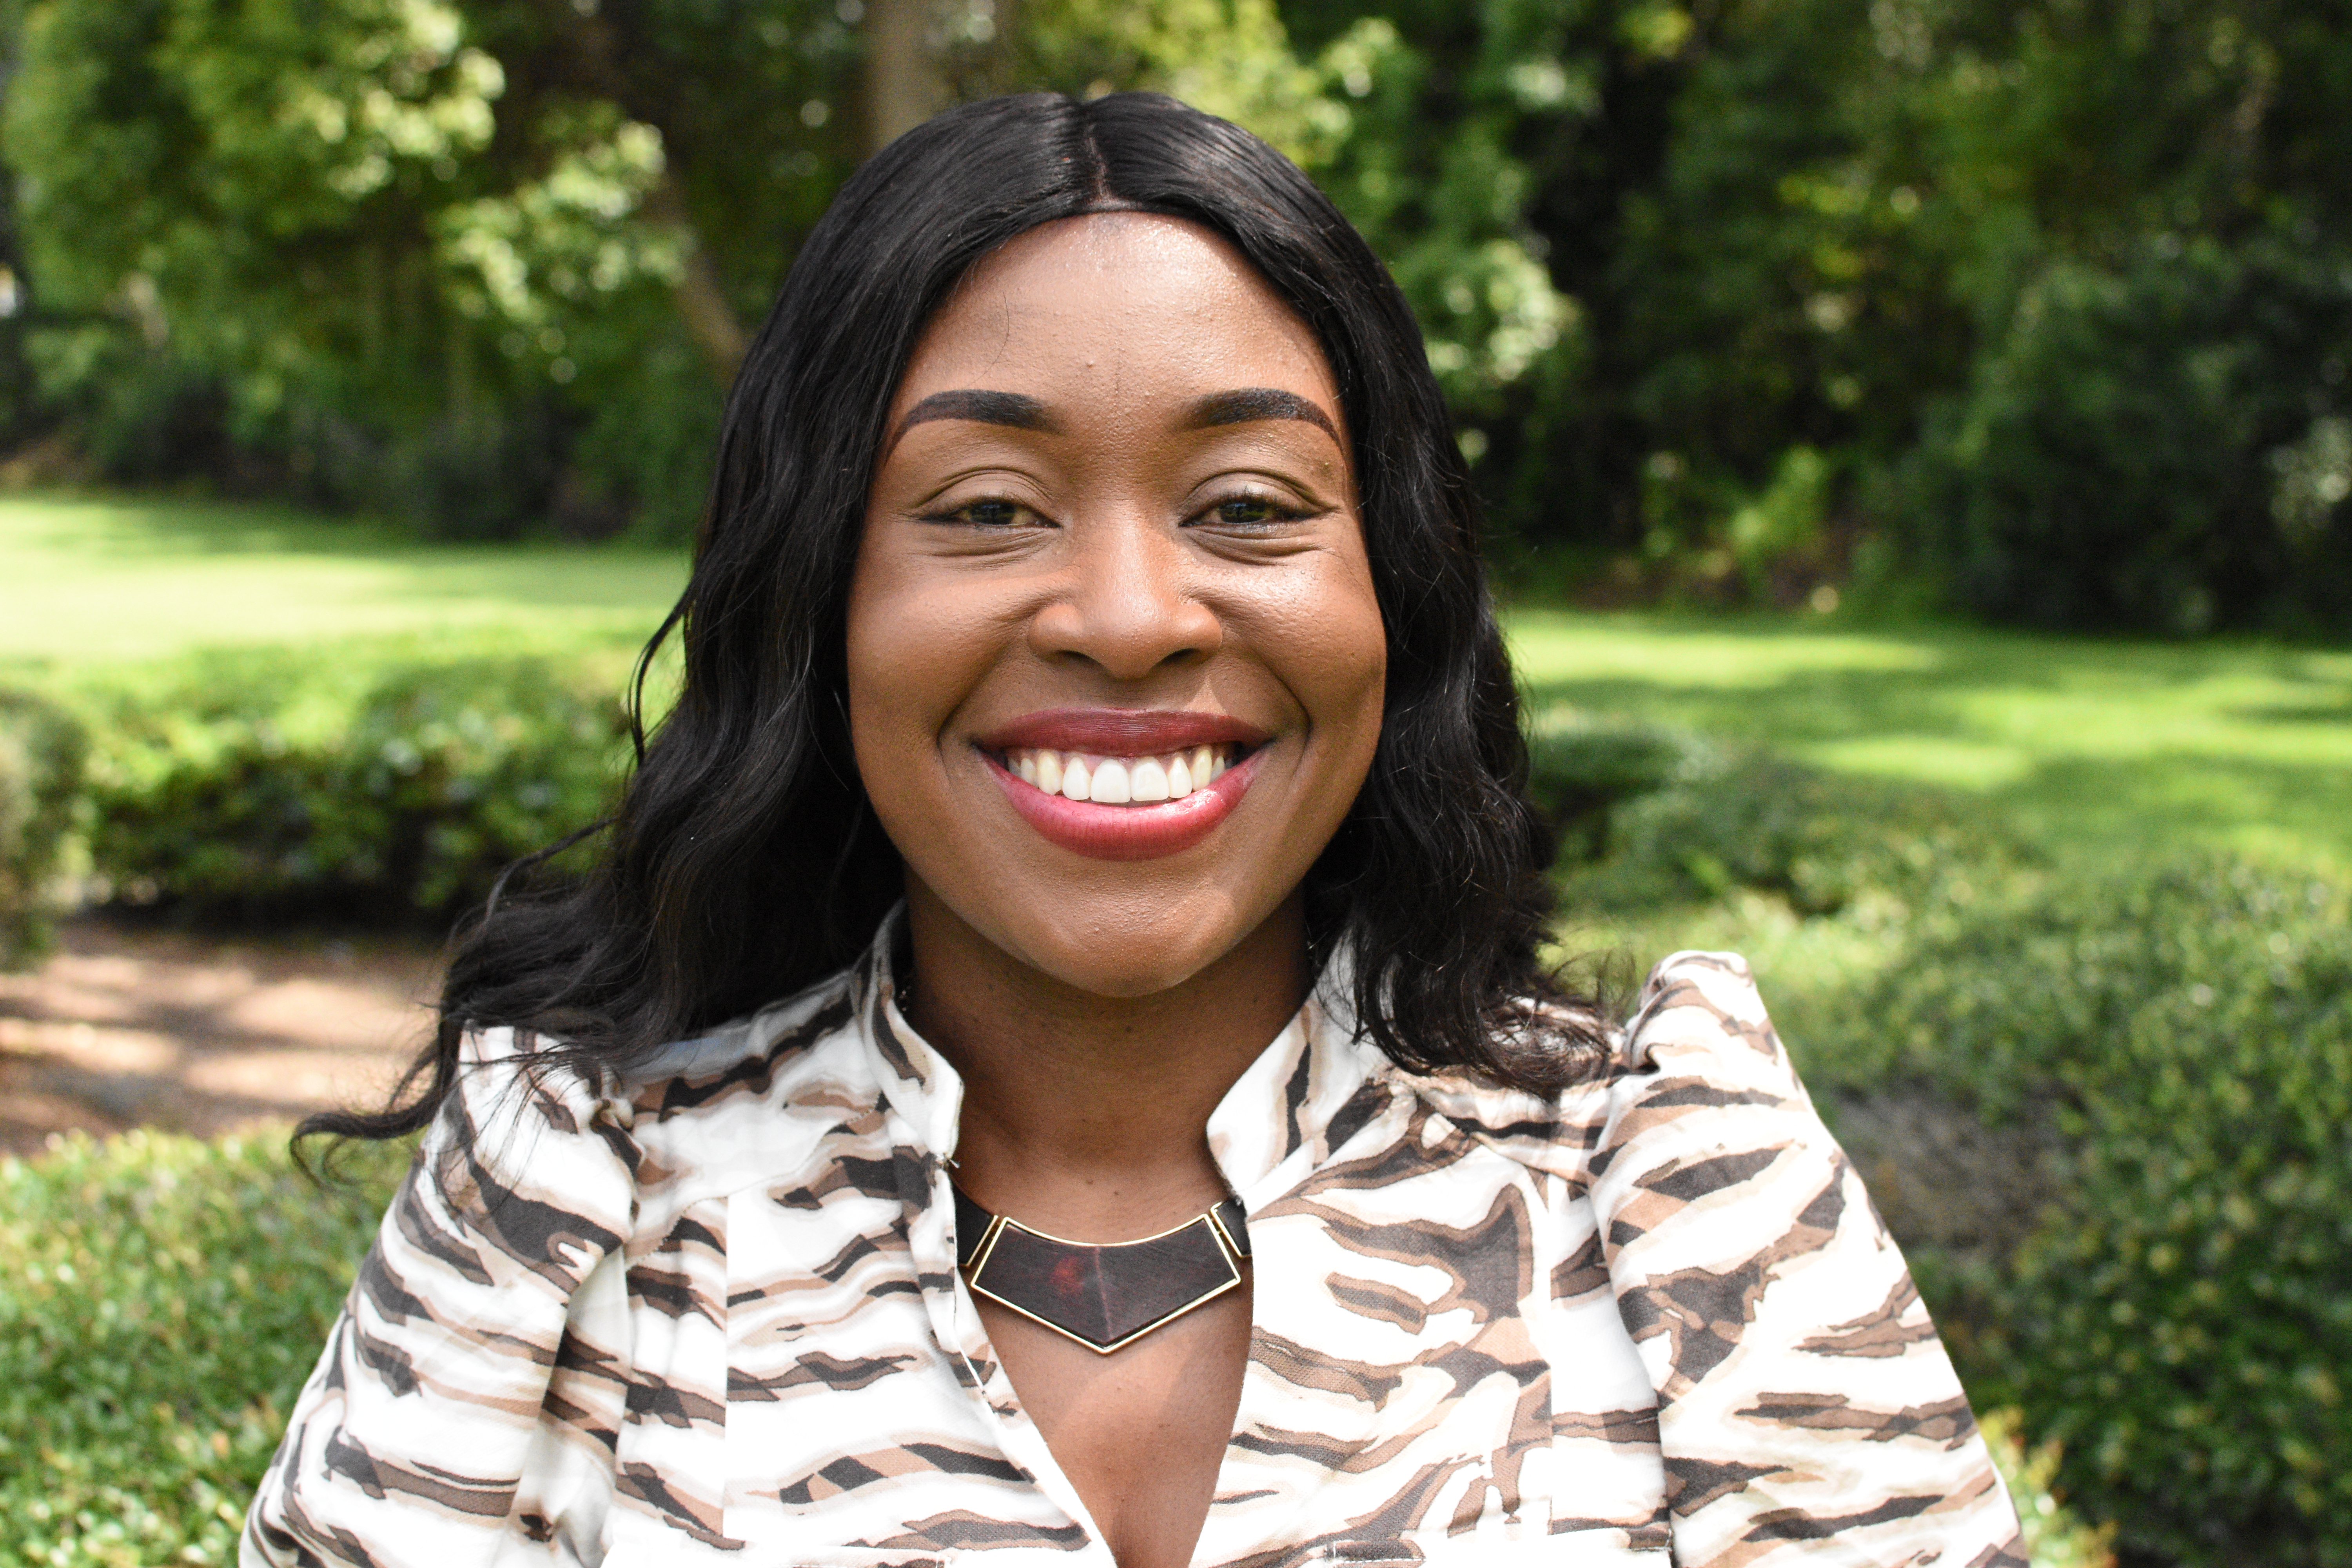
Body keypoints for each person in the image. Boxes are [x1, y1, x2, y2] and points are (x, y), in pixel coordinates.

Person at [245, 92, 2024, 1568]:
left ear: (1390, 590)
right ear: (820, 600)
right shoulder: (576, 1200)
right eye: (990, 505)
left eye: (1247, 504)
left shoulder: (1661, 1184)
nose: (1125, 612)